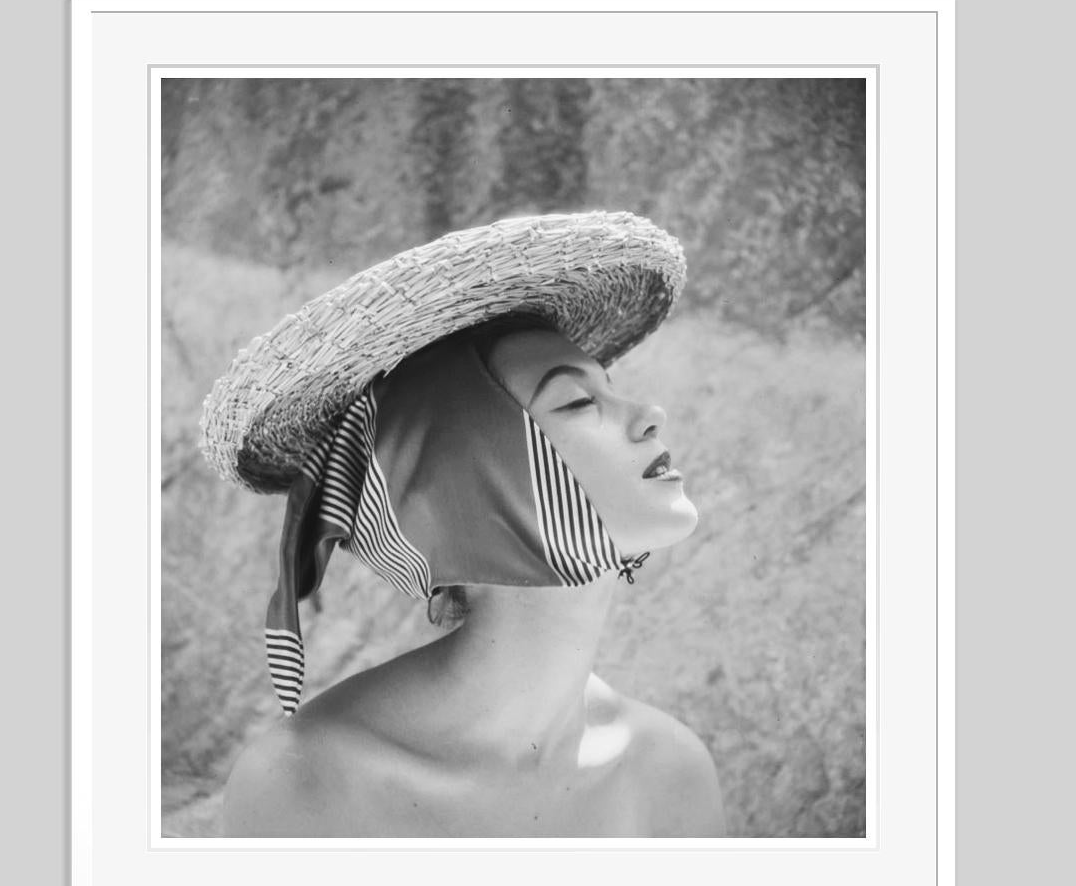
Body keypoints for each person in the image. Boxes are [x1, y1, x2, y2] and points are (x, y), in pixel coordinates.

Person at [200, 212, 726, 838]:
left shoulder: (669, 772)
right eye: (579, 402)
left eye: (607, 389)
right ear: (474, 489)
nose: (649, 416)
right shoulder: (308, 782)